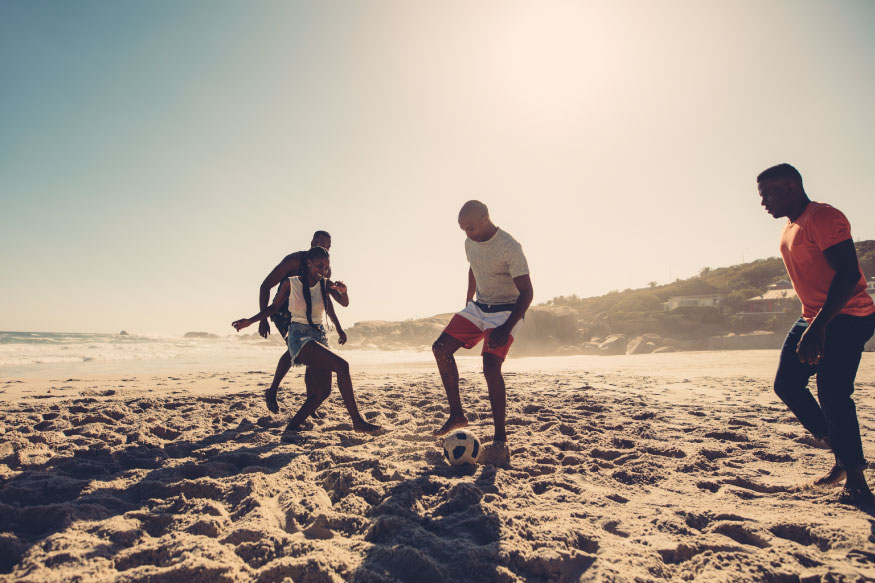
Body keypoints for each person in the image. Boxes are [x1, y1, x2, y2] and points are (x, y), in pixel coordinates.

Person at [758, 163, 875, 504]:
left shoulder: (823, 217)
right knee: (787, 384)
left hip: (849, 315)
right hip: (813, 317)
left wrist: (820, 326)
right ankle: (837, 448)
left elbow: (849, 274)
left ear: (791, 187)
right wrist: (815, 323)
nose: (764, 202)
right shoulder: (789, 228)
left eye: (768, 193)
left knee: (834, 394)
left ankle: (855, 480)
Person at [233, 246, 381, 434]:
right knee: (342, 366)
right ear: (308, 262)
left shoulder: (325, 285)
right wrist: (251, 321)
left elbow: (343, 303)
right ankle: (358, 422)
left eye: (326, 267)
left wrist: (344, 291)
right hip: (299, 337)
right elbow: (273, 308)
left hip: (319, 336)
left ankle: (292, 428)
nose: (323, 270)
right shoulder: (291, 283)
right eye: (319, 265)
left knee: (322, 392)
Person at [432, 200, 533, 467]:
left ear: (487, 218)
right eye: (464, 229)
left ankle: (500, 439)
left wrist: (507, 326)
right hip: (480, 306)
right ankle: (456, 414)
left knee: (490, 366)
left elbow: (527, 293)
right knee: (440, 348)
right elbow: (474, 268)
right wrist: (468, 302)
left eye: (471, 228)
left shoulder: (509, 247)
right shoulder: (470, 242)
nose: (468, 234)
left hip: (507, 310)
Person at [258, 231, 349, 414]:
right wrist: (262, 319)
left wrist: (339, 328)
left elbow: (325, 299)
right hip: (282, 311)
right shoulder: (294, 260)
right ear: (312, 242)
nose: (325, 247)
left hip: (308, 316)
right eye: (321, 243)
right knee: (298, 348)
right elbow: (265, 285)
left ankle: (311, 401)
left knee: (312, 353)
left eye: (328, 245)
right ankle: (273, 390)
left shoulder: (323, 268)